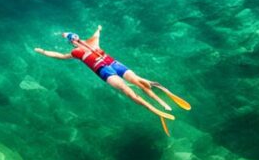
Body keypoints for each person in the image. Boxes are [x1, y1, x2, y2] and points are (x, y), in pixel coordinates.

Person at [34, 26, 182, 121]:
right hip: (104, 71)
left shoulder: (92, 41)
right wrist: (44, 52)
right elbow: (59, 56)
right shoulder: (76, 52)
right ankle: (151, 108)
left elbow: (96, 34)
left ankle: (160, 100)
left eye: (75, 38)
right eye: (72, 40)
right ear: (71, 43)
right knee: (127, 90)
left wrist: (99, 28)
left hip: (113, 64)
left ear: (78, 37)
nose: (75, 41)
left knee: (139, 82)